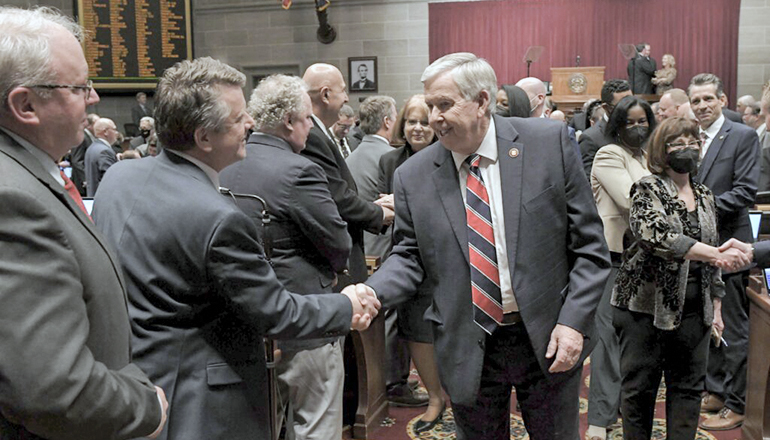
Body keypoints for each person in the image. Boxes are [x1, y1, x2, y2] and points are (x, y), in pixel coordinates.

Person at [93, 57, 379, 440]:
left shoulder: (120, 176)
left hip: (134, 377)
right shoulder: (218, 217)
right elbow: (276, 312)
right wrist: (346, 305)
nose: (251, 124)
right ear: (204, 138)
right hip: (201, 398)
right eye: (239, 117)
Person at [354, 52, 611, 440]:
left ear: (482, 101)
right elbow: (408, 256)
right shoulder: (414, 176)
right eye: (429, 106)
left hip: (547, 336)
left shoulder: (548, 144)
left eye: (444, 104)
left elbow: (590, 248)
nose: (434, 117)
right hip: (468, 340)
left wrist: (573, 322)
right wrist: (373, 290)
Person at [0, 6, 168, 439]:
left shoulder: (28, 172)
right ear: (26, 105)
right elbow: (51, 387)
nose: (93, 99)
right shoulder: (12, 198)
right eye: (79, 88)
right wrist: (144, 407)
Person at [218, 74, 351, 440]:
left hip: (246, 318)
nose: (311, 126)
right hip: (304, 319)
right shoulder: (300, 170)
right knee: (316, 423)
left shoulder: (223, 164)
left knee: (262, 424)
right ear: (290, 121)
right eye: (307, 118)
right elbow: (339, 242)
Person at [612, 116, 751, 440]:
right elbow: (657, 237)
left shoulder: (705, 194)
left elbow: (712, 256)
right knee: (639, 392)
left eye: (693, 142)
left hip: (694, 311)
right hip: (644, 311)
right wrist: (714, 252)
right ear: (663, 150)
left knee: (688, 391)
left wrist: (716, 307)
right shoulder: (648, 187)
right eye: (678, 143)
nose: (686, 148)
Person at [688, 73, 760, 431]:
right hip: (701, 247)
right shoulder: (689, 137)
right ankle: (715, 389)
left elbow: (745, 192)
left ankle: (738, 402)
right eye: (696, 100)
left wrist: (696, 209)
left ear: (723, 99)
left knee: (731, 325)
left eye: (707, 99)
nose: (701, 106)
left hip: (732, 245)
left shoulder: (742, 136)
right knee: (708, 321)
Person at [376, 94, 446, 433]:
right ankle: (435, 398)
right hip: (409, 256)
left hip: (449, 258)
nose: (418, 128)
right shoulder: (390, 163)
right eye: (411, 121)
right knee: (416, 328)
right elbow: (384, 212)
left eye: (423, 121)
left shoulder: (451, 155)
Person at [586, 95, 655, 440]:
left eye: (643, 121)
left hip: (643, 260)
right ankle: (599, 419)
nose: (638, 127)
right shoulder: (608, 154)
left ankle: (620, 411)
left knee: (634, 343)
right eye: (630, 121)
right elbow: (634, 200)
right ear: (618, 124)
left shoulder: (644, 156)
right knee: (607, 341)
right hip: (612, 259)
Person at [300, 63, 394, 288]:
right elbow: (337, 197)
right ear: (325, 94)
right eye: (342, 90)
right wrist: (380, 212)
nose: (346, 98)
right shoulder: (311, 135)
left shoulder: (319, 132)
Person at [580, 79, 633, 177]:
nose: (630, 108)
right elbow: (588, 180)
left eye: (632, 103)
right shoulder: (590, 138)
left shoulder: (642, 129)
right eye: (623, 105)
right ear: (606, 107)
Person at [84, 118, 119, 196]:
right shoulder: (105, 151)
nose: (117, 133)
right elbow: (111, 180)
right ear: (105, 132)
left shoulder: (91, 148)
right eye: (114, 129)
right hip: (105, 198)